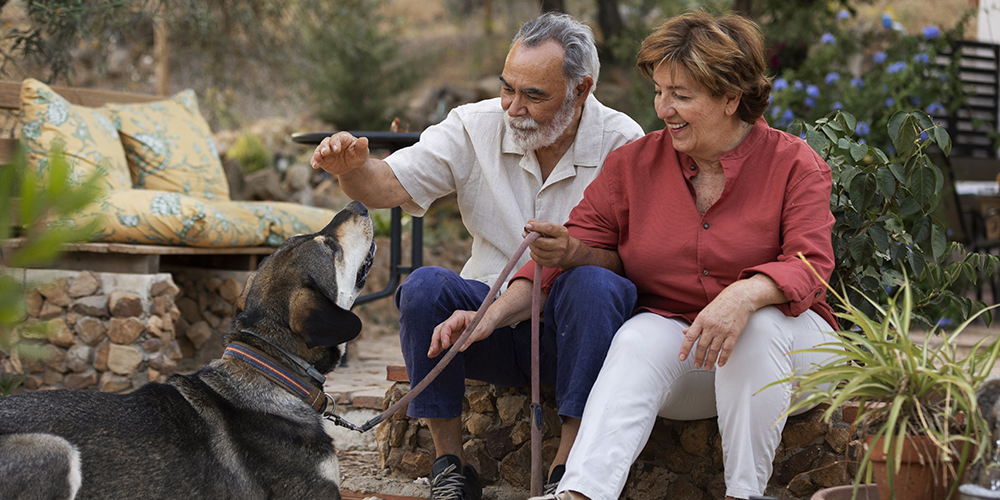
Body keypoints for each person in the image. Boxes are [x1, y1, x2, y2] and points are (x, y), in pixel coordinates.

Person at [435, 11, 839, 500]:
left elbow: (810, 264)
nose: (663, 108)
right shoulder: (634, 165)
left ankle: (744, 493)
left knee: (756, 326)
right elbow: (563, 252)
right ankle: (580, 493)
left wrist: (745, 296)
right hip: (692, 351)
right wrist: (490, 316)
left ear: (732, 98)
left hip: (792, 355)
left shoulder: (795, 164)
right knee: (637, 337)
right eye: (659, 92)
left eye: (682, 95)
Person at [310, 12, 644, 500]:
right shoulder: (475, 124)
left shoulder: (624, 142)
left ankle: (566, 471)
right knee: (423, 287)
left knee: (596, 285)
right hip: (479, 327)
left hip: (573, 331)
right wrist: (353, 170)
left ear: (581, 90)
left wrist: (575, 253)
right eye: (508, 88)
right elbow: (387, 183)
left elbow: (631, 261)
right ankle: (450, 466)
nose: (513, 107)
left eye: (534, 96)